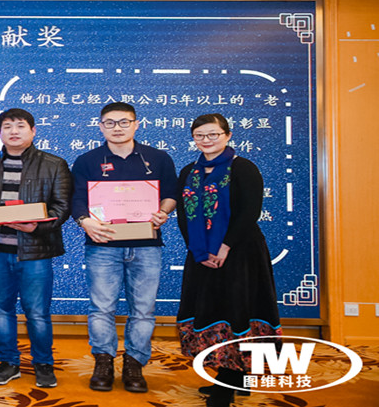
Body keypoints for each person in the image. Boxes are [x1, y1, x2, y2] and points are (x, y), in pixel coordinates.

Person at [175, 113, 281, 407]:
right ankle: (234, 376)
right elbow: (184, 215)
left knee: (238, 309)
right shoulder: (189, 172)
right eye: (200, 135)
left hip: (240, 252)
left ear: (228, 135)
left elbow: (250, 212)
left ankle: (231, 378)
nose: (206, 140)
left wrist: (225, 246)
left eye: (213, 134)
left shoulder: (243, 168)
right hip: (201, 254)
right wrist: (198, 250)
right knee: (209, 309)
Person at [71, 102, 177, 393]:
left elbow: (171, 194)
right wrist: (85, 222)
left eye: (124, 122)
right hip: (102, 244)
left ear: (136, 124)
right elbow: (76, 199)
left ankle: (134, 364)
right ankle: (103, 362)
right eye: (110, 122)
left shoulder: (158, 158)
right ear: (100, 126)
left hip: (146, 245)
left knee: (143, 310)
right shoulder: (87, 160)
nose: (117, 128)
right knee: (101, 308)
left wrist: (163, 212)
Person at [0, 108, 72, 388]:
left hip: (36, 252)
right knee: (1, 310)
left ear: (33, 131)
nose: (14, 131)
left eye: (20, 126)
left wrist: (37, 226)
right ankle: (8, 363)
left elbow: (62, 207)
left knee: (37, 312)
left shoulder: (54, 164)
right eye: (7, 126)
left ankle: (43, 364)